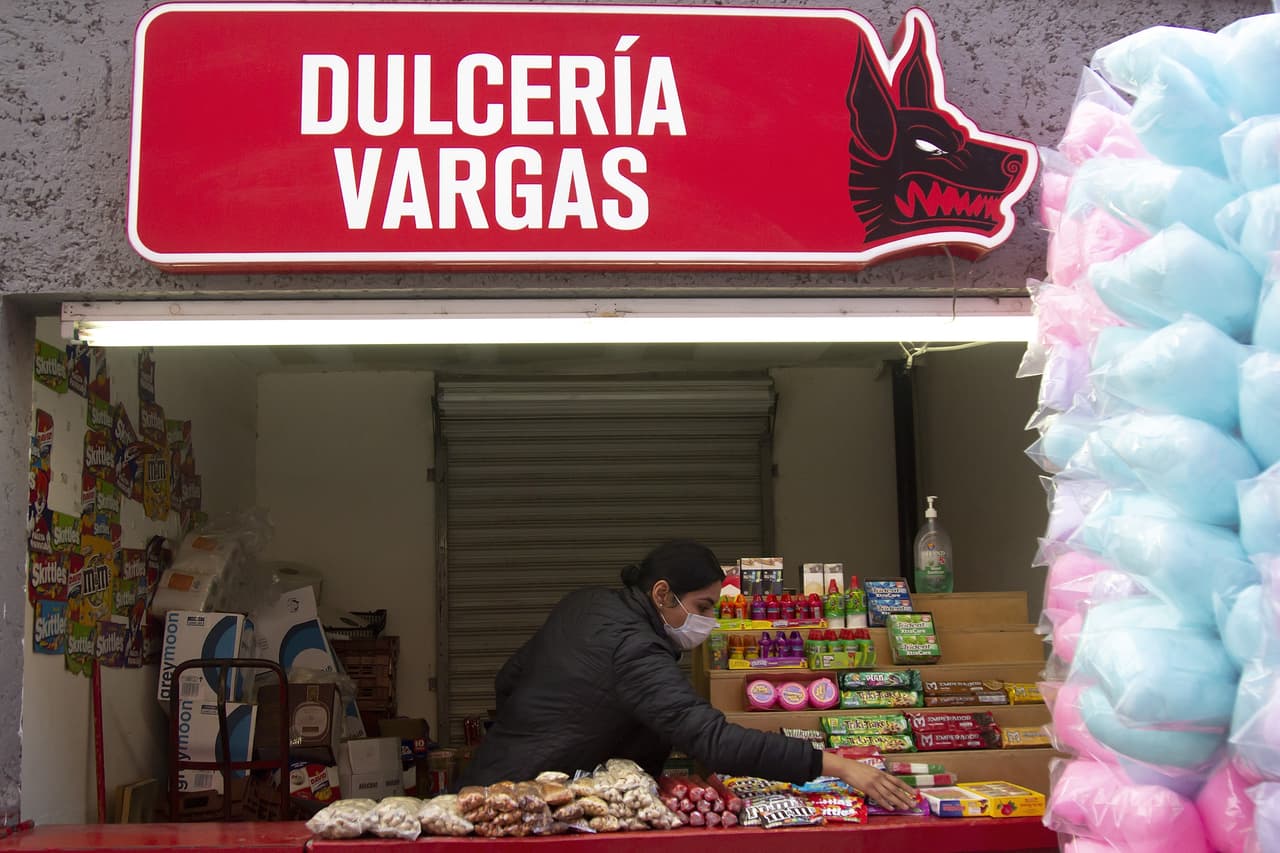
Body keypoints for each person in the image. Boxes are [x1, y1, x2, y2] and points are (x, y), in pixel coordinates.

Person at [455, 540, 918, 810]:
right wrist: (836, 765)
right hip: (526, 805)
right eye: (703, 607)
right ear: (661, 594)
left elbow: (508, 678)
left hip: (489, 782)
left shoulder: (587, 602)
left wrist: (534, 731)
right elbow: (711, 740)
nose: (709, 622)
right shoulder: (634, 648)